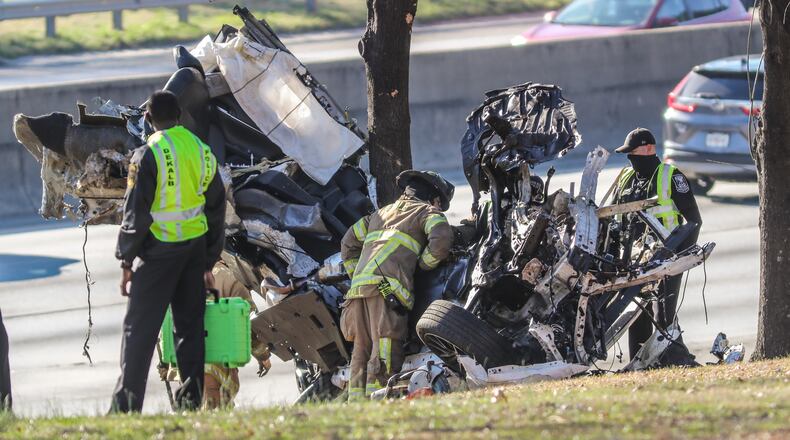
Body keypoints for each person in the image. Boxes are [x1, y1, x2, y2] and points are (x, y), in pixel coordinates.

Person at [111, 90, 225, 412]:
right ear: (180, 116)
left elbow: (135, 212)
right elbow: (216, 207)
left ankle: (126, 407)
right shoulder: (201, 151)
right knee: (190, 329)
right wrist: (208, 261)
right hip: (194, 252)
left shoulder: (148, 154)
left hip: (159, 253)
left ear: (148, 118)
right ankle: (191, 403)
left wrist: (126, 260)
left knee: (139, 330)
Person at [340, 170, 455, 400]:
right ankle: (379, 404)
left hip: (358, 292)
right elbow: (442, 239)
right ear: (434, 199)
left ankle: (357, 404)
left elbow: (348, 243)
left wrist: (358, 276)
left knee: (361, 350)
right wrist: (423, 264)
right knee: (385, 349)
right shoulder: (425, 211)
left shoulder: (379, 214)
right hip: (386, 290)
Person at [612, 128, 702, 359]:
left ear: (650, 148)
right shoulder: (625, 177)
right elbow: (613, 219)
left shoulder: (671, 176)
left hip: (666, 260)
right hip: (633, 261)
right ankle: (640, 363)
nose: (631, 157)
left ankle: (674, 358)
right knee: (636, 314)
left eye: (634, 152)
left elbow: (694, 221)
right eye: (628, 153)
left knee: (663, 313)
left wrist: (678, 258)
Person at [201, 260, 272, 409]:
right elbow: (248, 323)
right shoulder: (230, 277)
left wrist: (164, 365)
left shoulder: (183, 272)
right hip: (216, 362)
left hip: (185, 360)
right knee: (216, 410)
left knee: (194, 406)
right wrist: (262, 355)